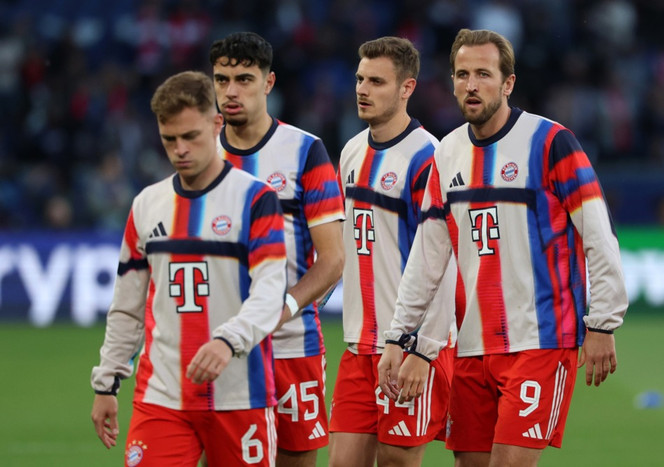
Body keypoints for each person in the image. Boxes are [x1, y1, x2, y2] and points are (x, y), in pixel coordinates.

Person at [378, 28, 628, 467]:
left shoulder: (550, 142)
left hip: (541, 340)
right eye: (462, 74)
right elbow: (428, 256)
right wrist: (399, 336)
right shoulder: (447, 153)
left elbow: (598, 235)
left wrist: (603, 323)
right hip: (472, 345)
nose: (471, 85)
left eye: (483, 74)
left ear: (508, 82)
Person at [90, 70, 287, 466]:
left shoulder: (255, 199)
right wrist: (107, 382)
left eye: (190, 136)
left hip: (240, 396)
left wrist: (227, 340)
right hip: (162, 397)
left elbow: (270, 292)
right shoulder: (147, 205)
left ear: (216, 124)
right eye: (169, 139)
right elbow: (127, 305)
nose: (180, 149)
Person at [208, 32, 344, 467]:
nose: (231, 91)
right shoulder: (201, 153)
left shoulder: (305, 151)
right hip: (218, 345)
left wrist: (280, 310)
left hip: (290, 344)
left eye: (244, 79)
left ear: (268, 83)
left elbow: (333, 260)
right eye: (222, 80)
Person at [329, 36, 458, 467]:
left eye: (376, 82)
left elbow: (444, 262)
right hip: (359, 345)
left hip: (410, 344)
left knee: (396, 461)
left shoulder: (428, 157)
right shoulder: (351, 151)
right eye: (360, 79)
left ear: (407, 88)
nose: (362, 90)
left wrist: (422, 348)